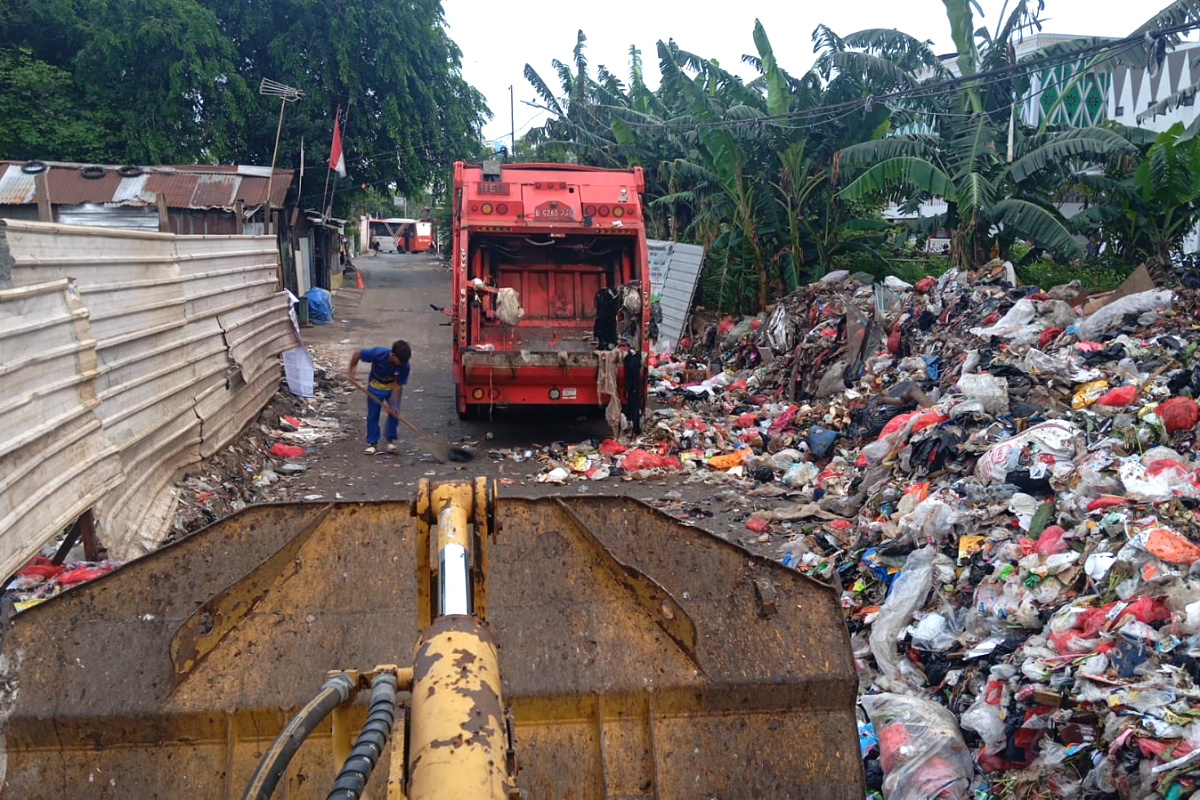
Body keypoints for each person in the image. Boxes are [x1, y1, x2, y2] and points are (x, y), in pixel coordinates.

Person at [347, 340, 411, 454]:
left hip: (392, 388)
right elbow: (357, 354)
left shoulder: (404, 365)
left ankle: (389, 441)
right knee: (372, 415)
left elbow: (399, 384)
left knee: (394, 413)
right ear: (393, 355)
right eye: (399, 361)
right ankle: (373, 444)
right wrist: (351, 374)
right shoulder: (378, 353)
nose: (401, 364)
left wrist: (393, 402)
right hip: (375, 387)